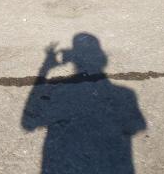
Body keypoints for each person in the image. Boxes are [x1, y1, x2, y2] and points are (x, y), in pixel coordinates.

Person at [23, 33, 146, 174]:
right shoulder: (126, 94)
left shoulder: (58, 89)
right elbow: (136, 125)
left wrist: (46, 67)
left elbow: (28, 123)